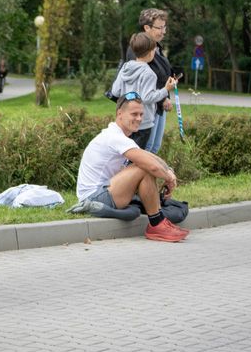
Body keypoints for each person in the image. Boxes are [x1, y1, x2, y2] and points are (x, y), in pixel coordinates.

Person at [75, 93, 189, 243]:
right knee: (143, 167)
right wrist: (168, 178)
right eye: (134, 114)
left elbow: (149, 157)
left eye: (141, 114)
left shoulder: (119, 136)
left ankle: (158, 222)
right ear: (120, 114)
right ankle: (157, 224)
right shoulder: (115, 137)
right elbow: (150, 165)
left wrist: (169, 170)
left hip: (103, 192)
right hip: (94, 197)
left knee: (144, 164)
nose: (139, 119)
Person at [112, 33, 177, 149]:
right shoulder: (149, 73)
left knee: (126, 153)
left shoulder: (125, 67)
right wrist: (166, 89)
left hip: (126, 119)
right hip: (142, 122)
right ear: (151, 51)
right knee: (140, 157)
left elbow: (116, 91)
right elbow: (147, 98)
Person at [125, 8, 173, 154]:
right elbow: (139, 83)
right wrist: (162, 98)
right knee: (145, 150)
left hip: (158, 105)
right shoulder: (138, 50)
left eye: (164, 27)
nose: (163, 31)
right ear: (147, 27)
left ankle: (146, 177)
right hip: (146, 108)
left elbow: (159, 74)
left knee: (153, 148)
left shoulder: (156, 47)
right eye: (159, 28)